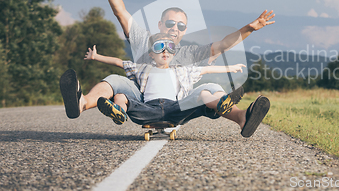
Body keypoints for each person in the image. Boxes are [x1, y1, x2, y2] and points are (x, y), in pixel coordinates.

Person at [59, 0, 275, 120]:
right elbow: (121, 13)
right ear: (160, 24)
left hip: (179, 104)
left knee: (209, 90)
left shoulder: (191, 53)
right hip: (141, 103)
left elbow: (222, 46)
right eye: (171, 23)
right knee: (115, 80)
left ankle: (242, 118)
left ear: (185, 31)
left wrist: (250, 28)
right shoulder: (144, 41)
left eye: (181, 26)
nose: (175, 28)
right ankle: (83, 103)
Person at [83, 33, 270, 138]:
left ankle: (222, 103)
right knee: (122, 96)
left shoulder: (182, 70)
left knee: (204, 92)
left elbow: (206, 71)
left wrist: (231, 67)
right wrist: (96, 57)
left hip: (176, 109)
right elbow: (118, 62)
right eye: (159, 48)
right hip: (146, 109)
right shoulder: (141, 68)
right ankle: (119, 112)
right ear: (151, 54)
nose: (165, 51)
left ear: (174, 54)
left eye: (170, 48)